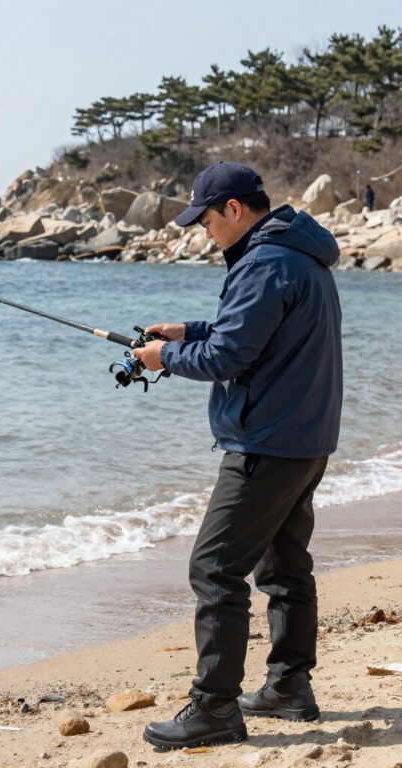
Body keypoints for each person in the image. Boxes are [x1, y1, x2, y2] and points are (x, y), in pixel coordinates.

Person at [133, 161, 343, 751]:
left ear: (233, 209)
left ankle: (215, 709)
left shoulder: (264, 262)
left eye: (205, 219)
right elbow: (254, 331)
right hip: (307, 437)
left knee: (215, 568)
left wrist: (162, 359)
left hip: (267, 442)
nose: (203, 231)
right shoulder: (299, 253)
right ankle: (287, 687)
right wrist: (188, 330)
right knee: (283, 565)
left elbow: (229, 357)